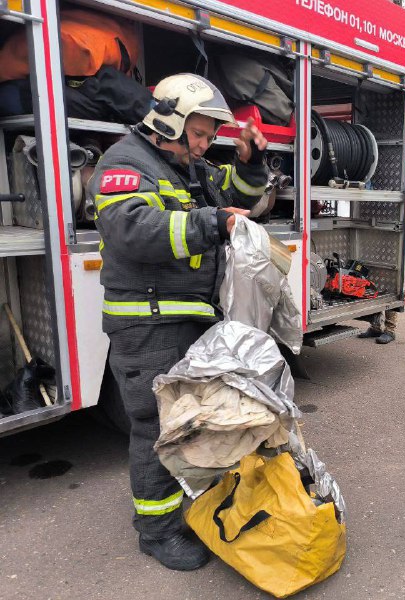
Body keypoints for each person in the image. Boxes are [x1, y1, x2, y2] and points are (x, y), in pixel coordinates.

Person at [90, 73, 269, 571]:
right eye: (200, 132)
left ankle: (186, 506)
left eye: (212, 135)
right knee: (156, 427)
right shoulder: (124, 164)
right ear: (169, 117)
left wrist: (249, 163)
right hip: (146, 322)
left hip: (187, 316)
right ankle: (157, 531)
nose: (205, 143)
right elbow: (133, 230)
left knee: (190, 422)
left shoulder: (189, 167)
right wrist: (213, 223)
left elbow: (239, 196)